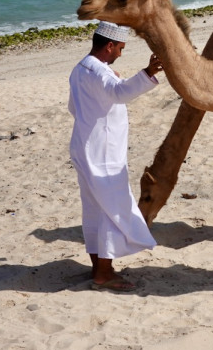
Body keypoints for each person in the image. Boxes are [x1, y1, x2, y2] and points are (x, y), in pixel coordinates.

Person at [68, 21, 164, 292]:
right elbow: (120, 93)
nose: (121, 53)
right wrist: (148, 72)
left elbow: (73, 107)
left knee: (94, 209)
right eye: (120, 48)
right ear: (109, 46)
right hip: (102, 154)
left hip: (83, 147)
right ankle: (104, 275)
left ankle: (99, 267)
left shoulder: (80, 68)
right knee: (112, 209)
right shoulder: (99, 72)